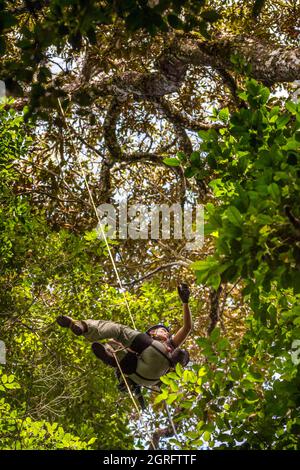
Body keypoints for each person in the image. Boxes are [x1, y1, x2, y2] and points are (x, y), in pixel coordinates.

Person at [56, 283, 192, 407]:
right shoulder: (150, 342)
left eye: (166, 332)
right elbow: (187, 327)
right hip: (142, 375)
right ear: (151, 332)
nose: (166, 333)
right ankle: (110, 357)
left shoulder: (170, 345)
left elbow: (187, 328)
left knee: (120, 330)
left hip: (160, 364)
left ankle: (86, 327)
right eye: (162, 330)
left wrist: (185, 302)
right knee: (115, 346)